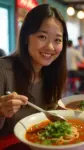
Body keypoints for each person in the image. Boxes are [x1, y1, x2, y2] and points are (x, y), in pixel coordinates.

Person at [0, 4, 68, 136]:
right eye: (42, 36)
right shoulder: (3, 70)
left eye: (57, 40)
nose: (50, 47)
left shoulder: (53, 73)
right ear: (26, 37)